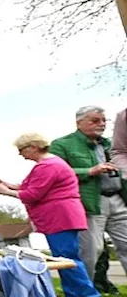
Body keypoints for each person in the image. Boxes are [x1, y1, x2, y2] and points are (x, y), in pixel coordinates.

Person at [0, 134, 105, 297]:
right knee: (60, 258)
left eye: (22, 150)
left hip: (61, 216)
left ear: (33, 147)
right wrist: (8, 185)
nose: (21, 154)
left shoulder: (48, 166)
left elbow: (32, 194)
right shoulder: (49, 164)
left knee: (68, 258)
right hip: (58, 217)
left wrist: (5, 192)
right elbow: (29, 186)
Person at [51, 106, 127, 284]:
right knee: (91, 250)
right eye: (95, 120)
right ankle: (85, 293)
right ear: (79, 122)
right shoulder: (62, 144)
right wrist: (90, 170)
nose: (101, 124)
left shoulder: (110, 143)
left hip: (118, 199)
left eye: (103, 120)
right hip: (91, 203)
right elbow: (53, 173)